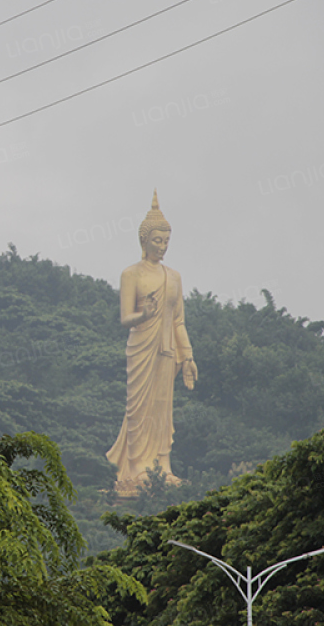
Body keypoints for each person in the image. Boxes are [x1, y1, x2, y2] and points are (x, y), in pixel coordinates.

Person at [106, 191, 198, 496]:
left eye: (166, 241)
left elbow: (178, 320)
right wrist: (143, 313)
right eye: (157, 241)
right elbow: (124, 318)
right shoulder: (130, 273)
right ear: (144, 241)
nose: (162, 246)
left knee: (162, 409)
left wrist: (188, 356)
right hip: (141, 347)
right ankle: (137, 466)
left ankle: (162, 466)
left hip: (168, 349)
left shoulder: (174, 277)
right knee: (139, 407)